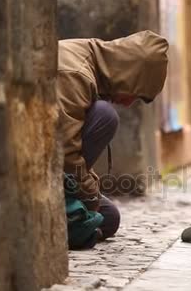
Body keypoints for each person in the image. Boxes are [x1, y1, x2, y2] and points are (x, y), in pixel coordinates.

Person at [57, 31, 169, 244]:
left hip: (57, 170)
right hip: (30, 168)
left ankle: (73, 226)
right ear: (129, 74)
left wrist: (91, 192)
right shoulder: (75, 73)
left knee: (109, 218)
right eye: (134, 95)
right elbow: (65, 152)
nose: (128, 104)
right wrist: (90, 195)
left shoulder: (92, 63)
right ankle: (61, 229)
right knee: (105, 115)